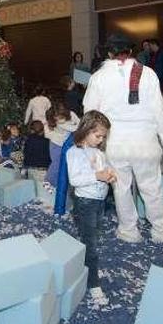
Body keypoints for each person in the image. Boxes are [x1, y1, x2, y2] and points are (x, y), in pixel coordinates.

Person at [83, 35, 163, 244]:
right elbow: (160, 110)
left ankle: (128, 231)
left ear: (109, 53)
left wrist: (90, 144)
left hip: (115, 144)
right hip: (145, 143)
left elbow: (90, 112)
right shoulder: (148, 73)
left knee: (121, 188)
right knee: (151, 188)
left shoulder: (99, 77)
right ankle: (162, 230)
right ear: (130, 52)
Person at [67, 110, 116, 306]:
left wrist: (109, 176)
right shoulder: (74, 153)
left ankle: (89, 266)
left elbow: (101, 172)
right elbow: (75, 180)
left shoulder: (98, 152)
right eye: (98, 135)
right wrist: (98, 176)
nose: (100, 139)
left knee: (93, 237)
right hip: (85, 202)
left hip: (98, 201)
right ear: (86, 131)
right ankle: (93, 282)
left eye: (103, 136)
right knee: (91, 243)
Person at [44, 102, 79, 186]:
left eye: (61, 117)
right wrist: (74, 123)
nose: (59, 119)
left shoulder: (71, 114)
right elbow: (75, 128)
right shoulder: (58, 123)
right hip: (55, 144)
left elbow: (79, 122)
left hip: (64, 144)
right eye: (56, 117)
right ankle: (48, 182)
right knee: (56, 164)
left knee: (63, 165)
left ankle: (56, 184)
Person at [23, 120, 51, 187]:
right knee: (45, 191)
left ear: (32, 130)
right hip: (45, 170)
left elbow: (26, 155)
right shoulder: (48, 141)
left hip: (32, 170)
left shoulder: (29, 140)